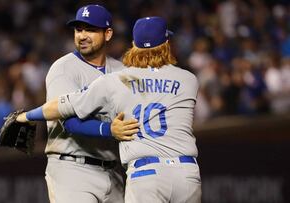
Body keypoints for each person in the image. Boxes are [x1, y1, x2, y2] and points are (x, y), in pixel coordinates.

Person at [18, 16, 201, 203]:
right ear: (167, 43)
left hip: (146, 173)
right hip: (187, 173)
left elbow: (64, 106)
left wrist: (25, 116)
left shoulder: (118, 79)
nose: (82, 35)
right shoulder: (189, 80)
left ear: (133, 44)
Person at [42, 4, 138, 203]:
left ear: (108, 33)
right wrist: (109, 129)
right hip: (72, 169)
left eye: (91, 29)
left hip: (113, 172)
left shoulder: (121, 71)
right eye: (79, 29)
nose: (82, 35)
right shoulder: (64, 68)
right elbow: (68, 121)